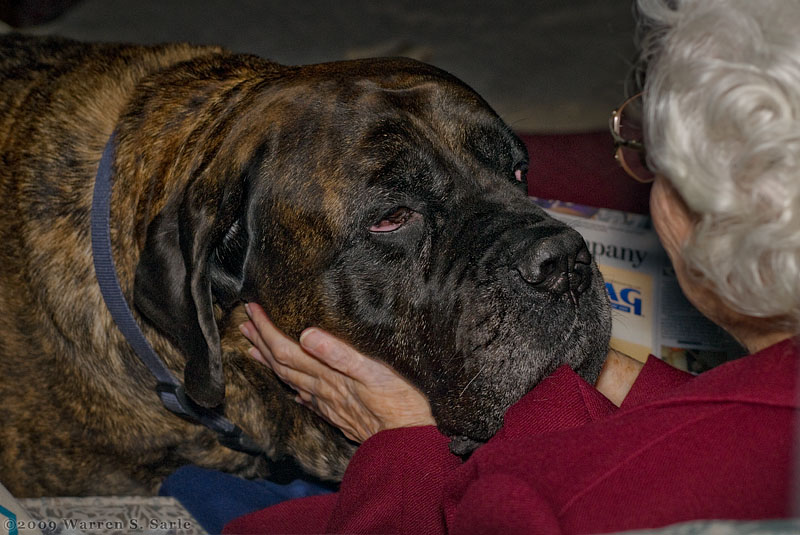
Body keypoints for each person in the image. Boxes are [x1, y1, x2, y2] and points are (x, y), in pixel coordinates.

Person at [223, 0, 800, 532]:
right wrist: (608, 371)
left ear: (709, 219)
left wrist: (403, 440)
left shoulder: (577, 502)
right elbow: (749, 417)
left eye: (653, 155)